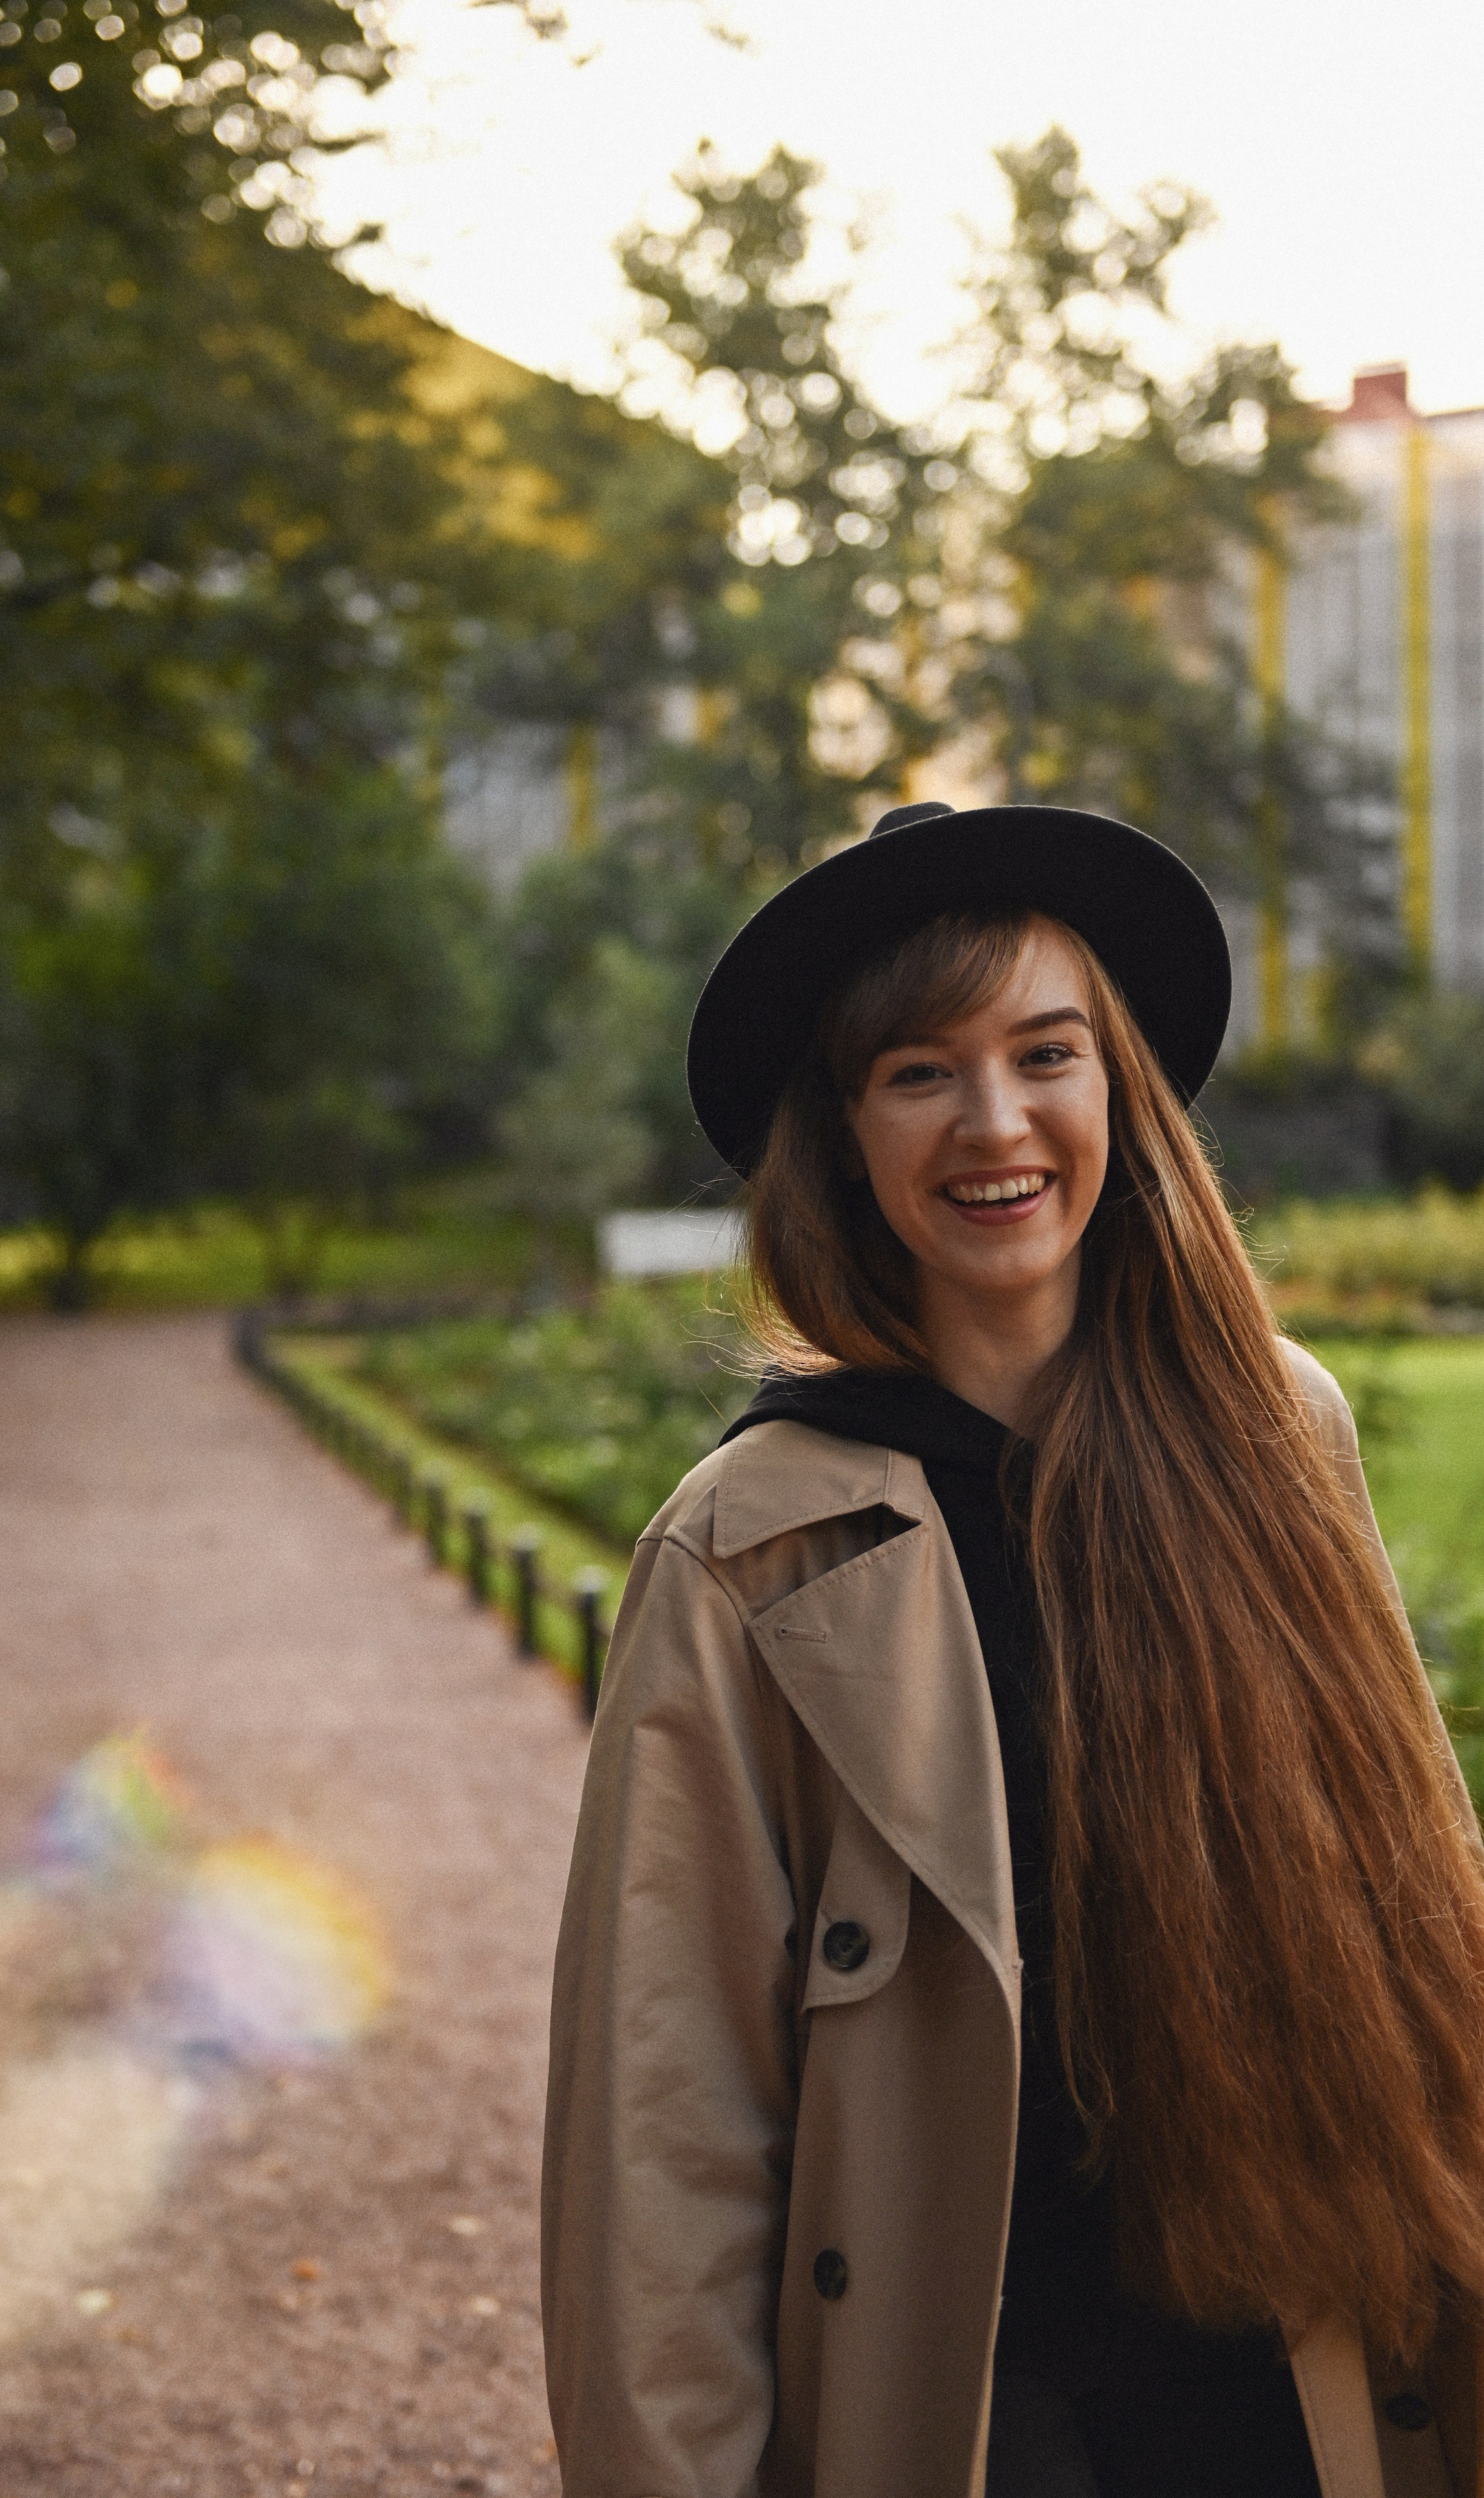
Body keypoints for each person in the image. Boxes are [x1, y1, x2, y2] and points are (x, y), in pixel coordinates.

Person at [540, 802, 1484, 2498]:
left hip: (1295, 2364)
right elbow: (663, 2134)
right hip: (977, 2404)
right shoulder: (750, 1546)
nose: (996, 1122)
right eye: (918, 1070)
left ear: (1116, 1085)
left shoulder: (1282, 1430)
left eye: (1044, 1052)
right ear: (844, 1132)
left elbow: (1421, 1896)